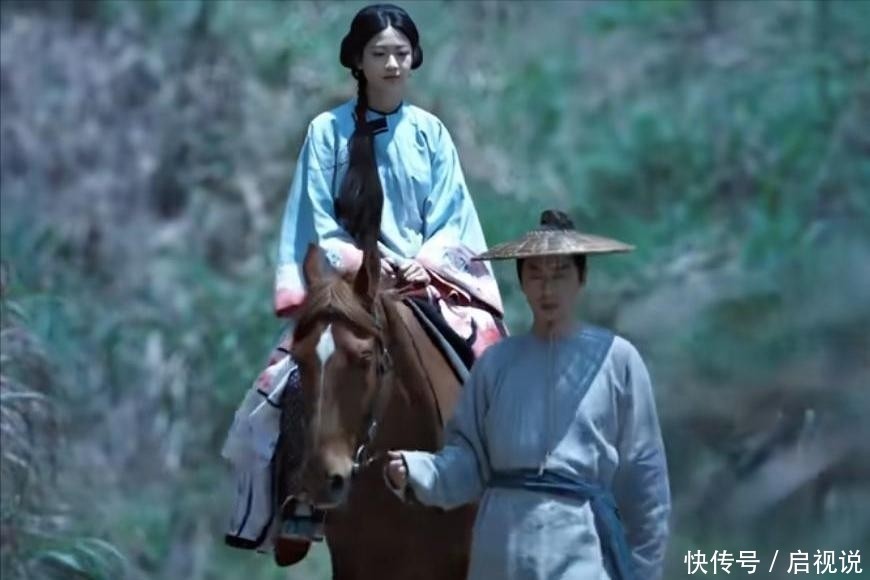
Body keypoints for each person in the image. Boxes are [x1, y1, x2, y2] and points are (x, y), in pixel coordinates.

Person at [221, 3, 505, 557]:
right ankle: (298, 503)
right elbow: (315, 216)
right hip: (349, 284)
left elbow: (452, 215)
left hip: (427, 281)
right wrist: (354, 258)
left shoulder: (431, 133)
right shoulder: (325, 132)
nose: (393, 64)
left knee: (493, 361)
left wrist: (425, 259)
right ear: (358, 61)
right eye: (380, 54)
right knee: (285, 385)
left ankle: (510, 492)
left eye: (401, 53)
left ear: (414, 58)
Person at [385, 210, 671, 580]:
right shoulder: (495, 363)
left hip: (581, 546)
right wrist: (418, 470)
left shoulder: (618, 360)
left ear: (581, 277)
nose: (547, 289)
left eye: (560, 274)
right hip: (502, 548)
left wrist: (644, 571)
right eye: (535, 275)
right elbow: (469, 462)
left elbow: (645, 483)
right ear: (521, 282)